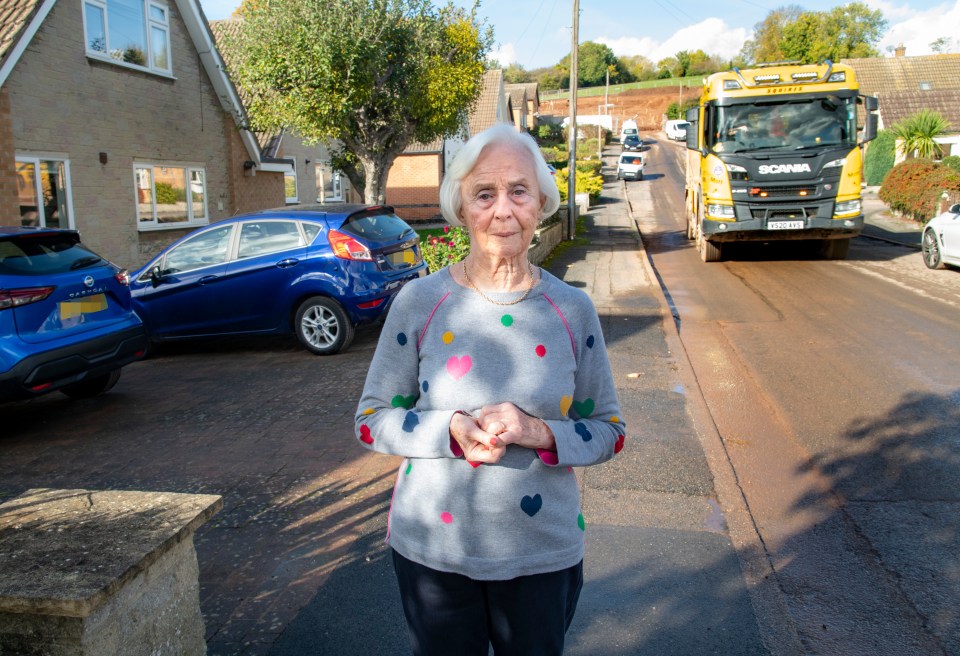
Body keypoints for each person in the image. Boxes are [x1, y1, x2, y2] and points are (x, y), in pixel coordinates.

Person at [354, 122, 626, 656]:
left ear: (541, 203)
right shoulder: (419, 302)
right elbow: (370, 419)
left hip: (541, 553)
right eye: (485, 193)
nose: (503, 210)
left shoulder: (573, 310)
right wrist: (450, 428)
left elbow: (609, 431)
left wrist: (539, 431)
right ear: (462, 206)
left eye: (518, 191)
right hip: (433, 549)